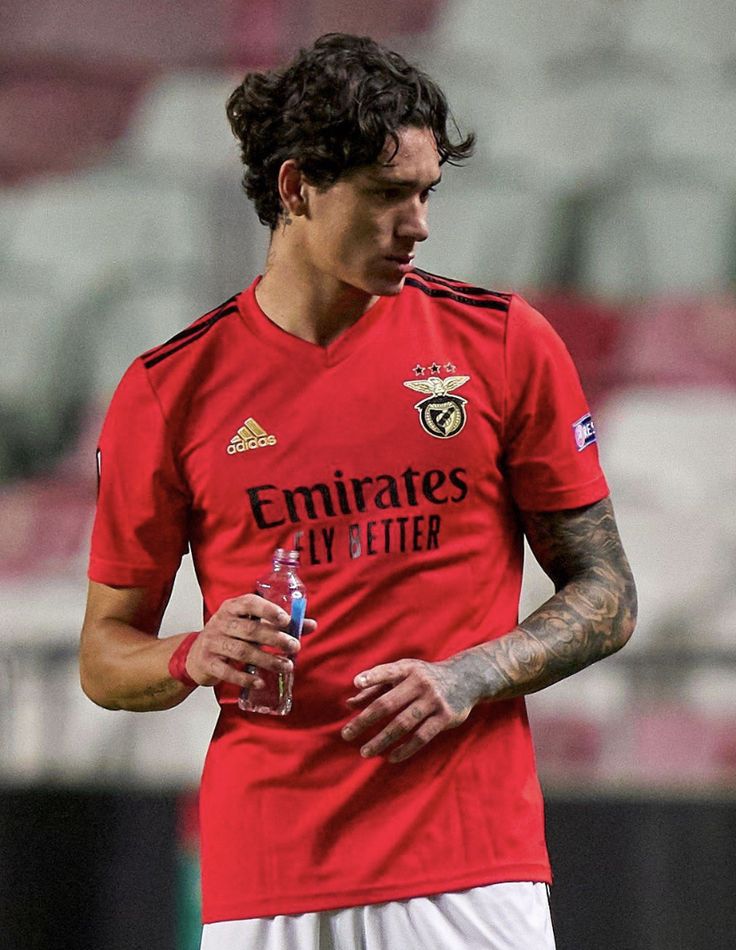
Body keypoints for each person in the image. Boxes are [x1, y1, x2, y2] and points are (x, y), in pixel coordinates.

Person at [80, 33, 637, 950]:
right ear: (296, 188)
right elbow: (105, 655)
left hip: (471, 858)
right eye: (387, 195)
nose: (417, 224)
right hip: (269, 873)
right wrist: (193, 654)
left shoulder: (502, 345)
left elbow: (609, 593)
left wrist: (469, 675)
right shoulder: (167, 391)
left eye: (426, 193)